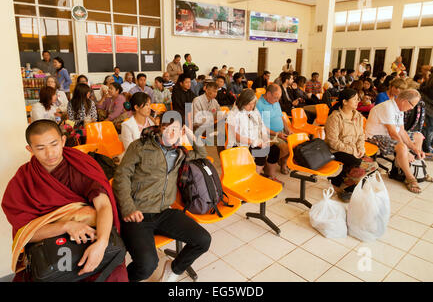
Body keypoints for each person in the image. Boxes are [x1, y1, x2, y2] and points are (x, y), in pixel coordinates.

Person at [1, 120, 128, 282]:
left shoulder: (81, 163)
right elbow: (25, 233)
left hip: (90, 237)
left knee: (115, 275)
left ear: (62, 141)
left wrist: (101, 244)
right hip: (50, 248)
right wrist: (67, 225)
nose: (50, 153)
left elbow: (103, 204)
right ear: (30, 149)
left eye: (54, 144)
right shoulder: (23, 180)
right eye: (40, 148)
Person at [113, 118, 211, 282]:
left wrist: (189, 133)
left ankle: (173, 269)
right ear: (160, 127)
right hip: (138, 212)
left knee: (203, 240)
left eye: (176, 130)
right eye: (168, 128)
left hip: (164, 212)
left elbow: (202, 154)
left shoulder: (180, 153)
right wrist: (128, 208)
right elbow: (121, 177)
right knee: (147, 265)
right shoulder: (140, 146)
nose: (171, 133)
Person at [366, 89, 432, 193]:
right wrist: (407, 151)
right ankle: (410, 177)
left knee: (418, 136)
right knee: (402, 147)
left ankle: (416, 168)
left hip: (389, 136)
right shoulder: (387, 107)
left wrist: (414, 149)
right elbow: (393, 133)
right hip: (374, 137)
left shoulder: (399, 109)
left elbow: (401, 131)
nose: (412, 108)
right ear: (404, 101)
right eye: (412, 105)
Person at [325, 89, 378, 202]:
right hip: (336, 149)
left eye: (357, 99)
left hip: (353, 148)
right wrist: (352, 150)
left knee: (373, 165)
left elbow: (360, 135)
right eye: (354, 99)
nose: (357, 101)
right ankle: (347, 188)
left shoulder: (357, 116)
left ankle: (339, 181)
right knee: (357, 162)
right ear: (344, 101)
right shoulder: (335, 117)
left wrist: (360, 148)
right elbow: (332, 141)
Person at [227, 89, 283, 181]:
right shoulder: (234, 114)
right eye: (249, 104)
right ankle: (253, 179)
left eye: (253, 103)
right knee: (261, 151)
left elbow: (262, 126)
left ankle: (271, 176)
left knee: (274, 149)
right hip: (239, 144)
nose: (251, 106)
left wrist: (274, 135)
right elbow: (236, 137)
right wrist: (256, 142)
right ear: (242, 102)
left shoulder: (254, 110)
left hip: (253, 141)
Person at [256, 84, 293, 178]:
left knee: (293, 144)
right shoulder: (259, 105)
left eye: (278, 98)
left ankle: (282, 163)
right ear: (268, 94)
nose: (277, 100)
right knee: (285, 148)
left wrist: (288, 129)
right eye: (276, 98)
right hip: (269, 134)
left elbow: (281, 117)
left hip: (281, 131)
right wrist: (277, 134)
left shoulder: (275, 102)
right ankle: (269, 164)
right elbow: (262, 127)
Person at [420, 75, 433, 153]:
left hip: (426, 108)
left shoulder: (426, 83)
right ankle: (427, 148)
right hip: (429, 110)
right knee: (429, 129)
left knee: (428, 129)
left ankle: (427, 147)